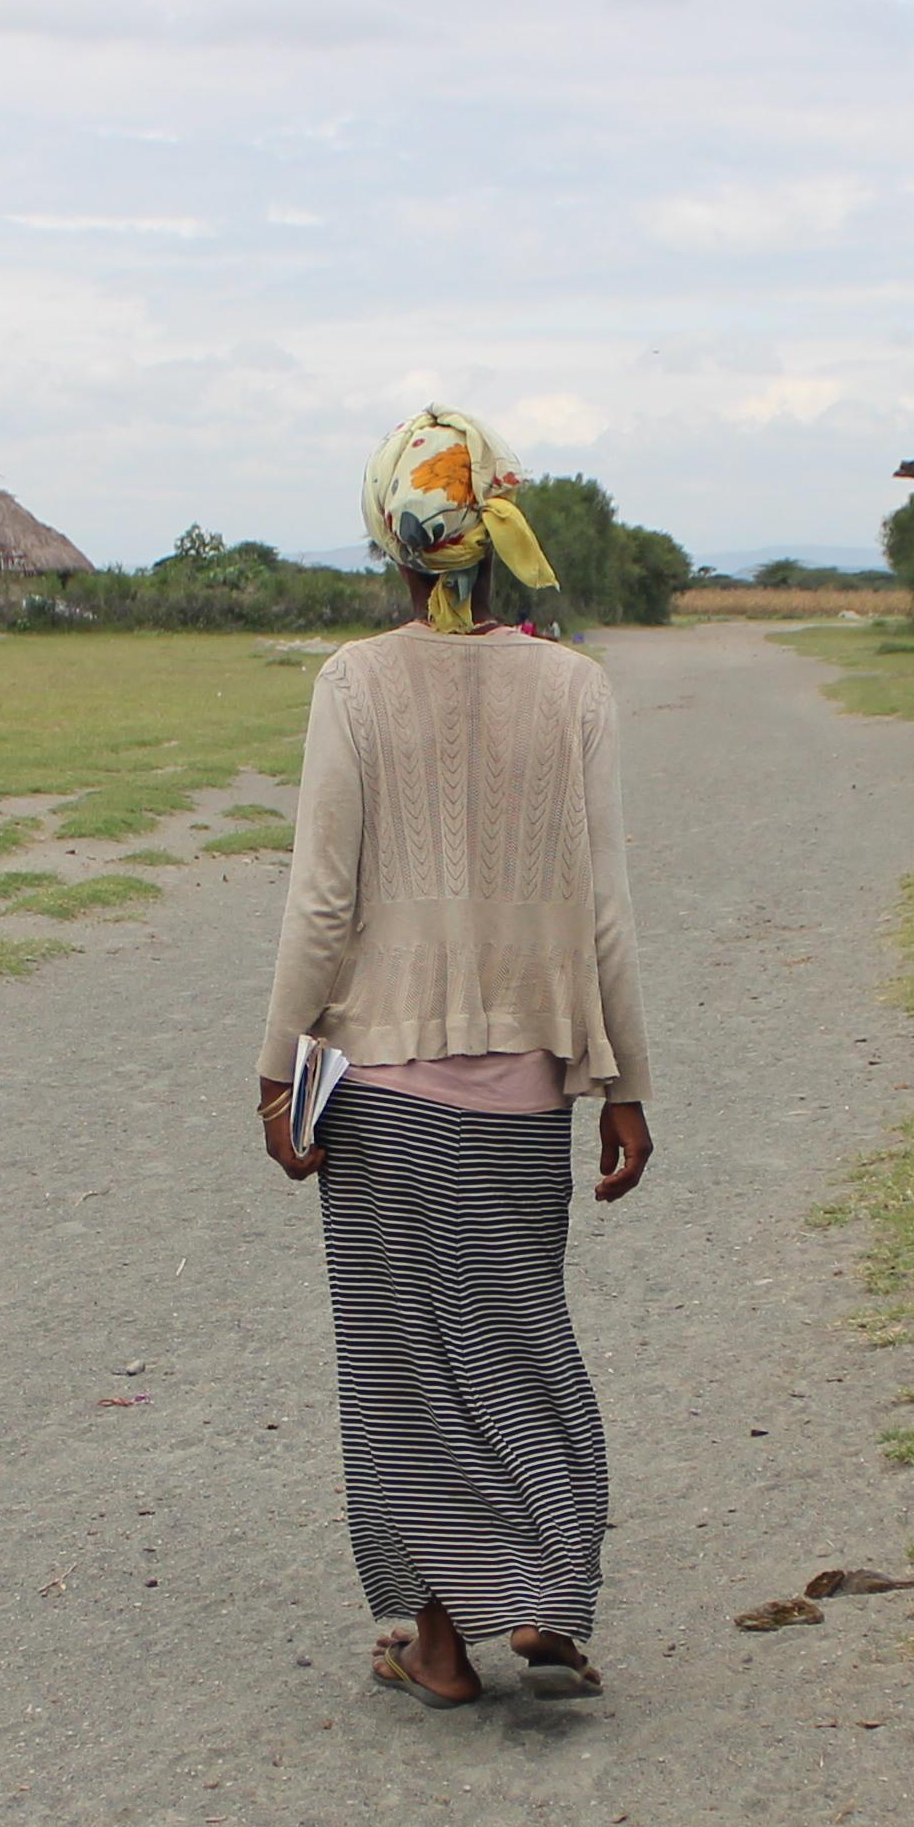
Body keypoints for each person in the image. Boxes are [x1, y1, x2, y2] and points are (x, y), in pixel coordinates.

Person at [257, 408, 656, 1706]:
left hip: (382, 1093)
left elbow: (322, 905)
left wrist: (277, 1067)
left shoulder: (355, 686)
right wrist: (626, 1086)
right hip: (527, 1095)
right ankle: (545, 1598)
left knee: (402, 1365)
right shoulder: (575, 688)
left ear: (393, 538)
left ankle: (440, 1643)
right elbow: (603, 906)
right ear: (493, 538)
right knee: (520, 1334)